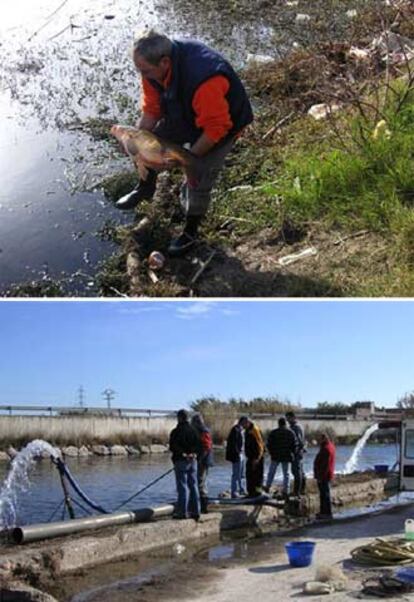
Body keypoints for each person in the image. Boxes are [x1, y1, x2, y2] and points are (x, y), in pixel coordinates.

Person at [116, 31, 254, 256]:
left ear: (165, 62)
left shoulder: (204, 78)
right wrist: (136, 139)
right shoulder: (152, 69)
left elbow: (215, 129)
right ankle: (145, 187)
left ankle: (190, 232)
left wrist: (183, 160)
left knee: (198, 179)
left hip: (221, 126)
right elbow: (152, 109)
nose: (142, 75)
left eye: (145, 71)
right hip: (186, 111)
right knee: (146, 144)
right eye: (139, 70)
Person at [169, 409, 201, 519]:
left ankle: (183, 512)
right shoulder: (194, 430)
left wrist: (183, 454)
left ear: (179, 418)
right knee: (193, 485)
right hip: (193, 462)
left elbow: (173, 447)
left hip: (180, 462)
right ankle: (196, 511)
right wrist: (194, 454)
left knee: (182, 487)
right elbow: (199, 445)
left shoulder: (176, 432)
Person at [264, 417, 297, 497]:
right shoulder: (291, 433)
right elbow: (295, 445)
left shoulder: (273, 433)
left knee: (271, 472)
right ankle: (286, 491)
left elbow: (268, 444)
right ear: (285, 423)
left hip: (275, 456)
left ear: (278, 424)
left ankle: (267, 487)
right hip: (286, 456)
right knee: (286, 474)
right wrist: (292, 453)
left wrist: (271, 453)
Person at [190, 413, 214, 513]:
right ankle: (200, 504)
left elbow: (206, 447)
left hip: (203, 461)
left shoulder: (203, 431)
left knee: (200, 482)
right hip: (204, 460)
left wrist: (199, 459)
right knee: (201, 482)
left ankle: (203, 506)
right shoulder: (202, 431)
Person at [313, 432, 336, 519]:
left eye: (319, 439)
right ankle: (325, 512)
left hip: (324, 475)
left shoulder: (326, 449)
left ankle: (326, 513)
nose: (318, 441)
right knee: (325, 493)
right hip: (327, 474)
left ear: (323, 439)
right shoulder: (331, 446)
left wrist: (320, 477)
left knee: (324, 494)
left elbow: (324, 465)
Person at [225, 416, 249, 498]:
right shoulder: (235, 430)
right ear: (242, 421)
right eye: (246, 422)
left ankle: (241, 489)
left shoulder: (242, 430)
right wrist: (237, 453)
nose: (247, 424)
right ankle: (234, 492)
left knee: (241, 474)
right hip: (237, 455)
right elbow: (232, 444)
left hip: (242, 454)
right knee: (236, 474)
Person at [286, 410, 307, 497]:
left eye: (288, 418)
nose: (287, 420)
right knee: (300, 471)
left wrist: (295, 451)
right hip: (299, 452)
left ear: (293, 417)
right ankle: (301, 490)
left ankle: (297, 491)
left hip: (297, 453)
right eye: (287, 419)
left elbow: (298, 441)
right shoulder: (298, 426)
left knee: (296, 472)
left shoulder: (295, 427)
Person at [244, 419, 265, 497]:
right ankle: (250, 492)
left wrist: (257, 459)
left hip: (257, 457)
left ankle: (258, 492)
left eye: (244, 424)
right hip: (250, 457)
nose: (243, 426)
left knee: (258, 476)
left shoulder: (255, 430)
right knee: (249, 475)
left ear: (248, 423)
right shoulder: (247, 430)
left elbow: (260, 445)